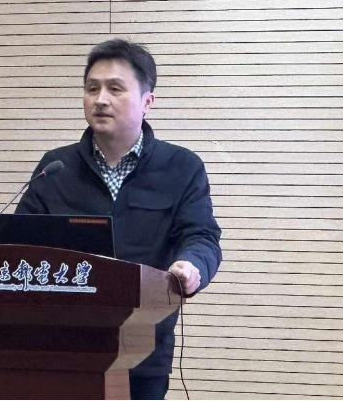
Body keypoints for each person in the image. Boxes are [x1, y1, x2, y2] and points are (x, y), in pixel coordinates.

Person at [15, 39, 222, 400]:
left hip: (141, 353)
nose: (100, 99)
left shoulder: (181, 168)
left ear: (147, 101)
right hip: (59, 350)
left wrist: (192, 266)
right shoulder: (56, 168)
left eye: (114, 88)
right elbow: (17, 243)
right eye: (92, 88)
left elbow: (201, 236)